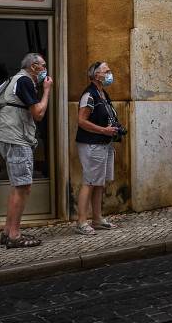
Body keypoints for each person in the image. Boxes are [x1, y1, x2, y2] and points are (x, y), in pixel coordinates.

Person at [0, 53, 52, 248]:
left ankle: (7, 231)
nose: (45, 69)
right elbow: (38, 113)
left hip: (9, 136)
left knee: (17, 186)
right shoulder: (25, 81)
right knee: (23, 187)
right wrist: (46, 91)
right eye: (43, 65)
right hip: (17, 138)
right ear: (34, 66)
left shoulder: (16, 79)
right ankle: (14, 234)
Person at [75, 61, 121, 236]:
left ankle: (97, 218)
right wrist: (104, 130)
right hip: (91, 144)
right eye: (106, 71)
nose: (110, 74)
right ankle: (81, 222)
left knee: (99, 182)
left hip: (104, 143)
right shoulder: (90, 95)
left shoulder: (103, 94)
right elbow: (81, 121)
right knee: (90, 181)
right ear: (96, 75)